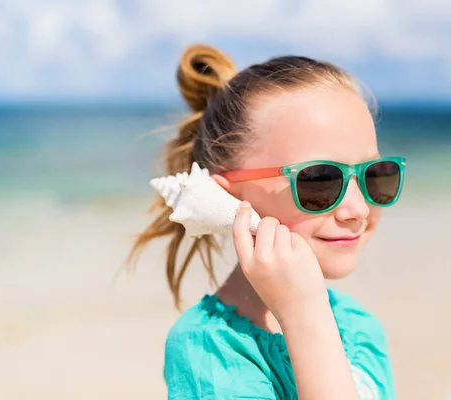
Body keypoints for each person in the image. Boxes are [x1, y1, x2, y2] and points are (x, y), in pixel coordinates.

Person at [128, 44, 405, 399]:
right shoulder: (209, 352)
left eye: (376, 174)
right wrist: (305, 318)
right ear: (229, 198)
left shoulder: (359, 327)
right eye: (319, 179)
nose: (358, 208)